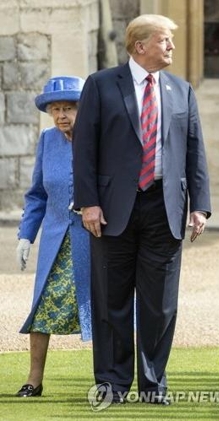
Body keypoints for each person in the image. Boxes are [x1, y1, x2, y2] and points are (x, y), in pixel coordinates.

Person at [72, 14, 211, 405]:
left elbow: (195, 152)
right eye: (164, 40)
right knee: (111, 302)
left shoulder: (182, 90)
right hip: (112, 209)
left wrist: (200, 206)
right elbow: (84, 150)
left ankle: (153, 386)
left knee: (160, 305)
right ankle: (113, 385)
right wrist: (89, 203)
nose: (170, 47)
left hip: (164, 208)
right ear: (140, 46)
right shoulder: (100, 85)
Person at [15, 76, 90, 397]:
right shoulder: (47, 140)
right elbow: (36, 195)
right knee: (42, 308)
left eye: (69, 108)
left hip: (95, 239)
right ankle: (33, 380)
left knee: (104, 309)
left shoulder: (100, 138)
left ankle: (110, 380)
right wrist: (25, 235)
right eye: (56, 109)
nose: (62, 115)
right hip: (55, 241)